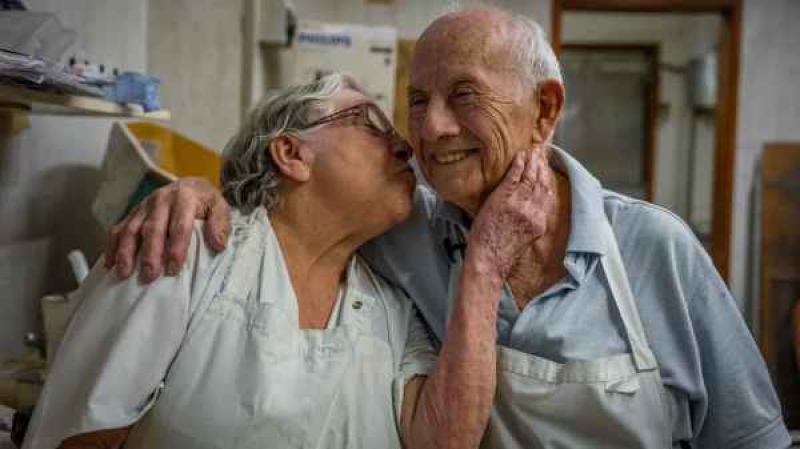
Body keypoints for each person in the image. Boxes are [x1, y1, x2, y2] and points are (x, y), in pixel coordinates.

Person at [105, 6, 791, 449]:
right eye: (416, 102)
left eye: (463, 95)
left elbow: (751, 439)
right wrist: (190, 192)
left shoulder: (656, 249)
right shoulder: (402, 230)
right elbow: (283, 206)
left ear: (545, 109)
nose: (426, 132)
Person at [22, 74, 552, 449]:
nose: (404, 147)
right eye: (369, 122)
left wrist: (484, 268)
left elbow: (443, 441)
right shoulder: (183, 250)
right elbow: (82, 437)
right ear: (291, 154)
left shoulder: (391, 306)